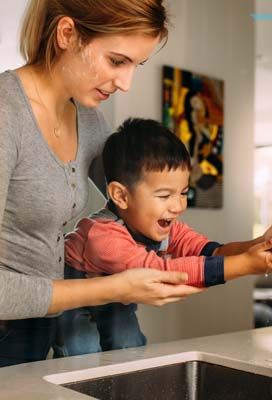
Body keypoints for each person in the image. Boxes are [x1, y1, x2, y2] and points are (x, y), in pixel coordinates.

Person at [0, 0, 206, 368]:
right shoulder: (5, 114)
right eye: (117, 61)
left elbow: (140, 207)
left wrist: (246, 253)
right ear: (67, 34)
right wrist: (111, 289)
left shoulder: (90, 121)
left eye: (136, 65)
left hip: (39, 333)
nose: (126, 84)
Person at [56, 118, 272, 356]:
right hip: (74, 296)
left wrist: (261, 244)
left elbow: (212, 252)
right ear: (121, 196)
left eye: (183, 193)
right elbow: (159, 272)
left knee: (129, 345)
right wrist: (248, 264)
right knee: (81, 350)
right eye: (164, 196)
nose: (177, 206)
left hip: (118, 292)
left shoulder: (168, 228)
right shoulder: (101, 235)